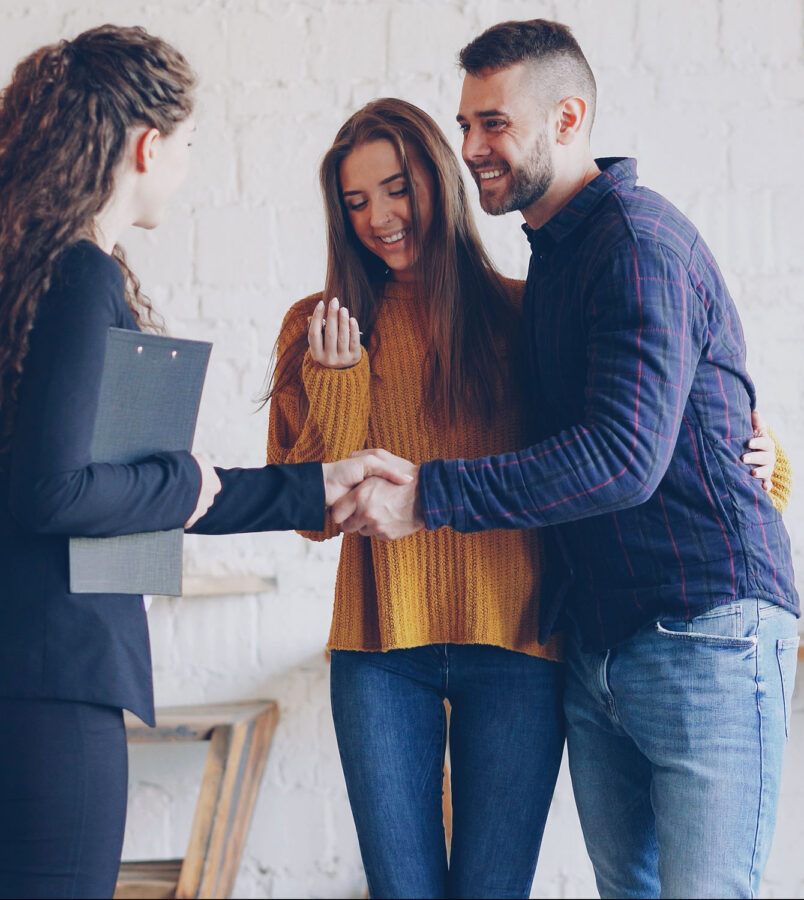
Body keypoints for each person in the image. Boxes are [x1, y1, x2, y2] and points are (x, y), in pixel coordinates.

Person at [0, 26, 406, 899]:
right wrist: (184, 479)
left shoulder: (12, 277)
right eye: (186, 144)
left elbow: (123, 493)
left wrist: (314, 485)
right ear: (147, 145)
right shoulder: (79, 278)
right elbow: (57, 494)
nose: (185, 163)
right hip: (44, 690)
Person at [266, 99, 784, 898]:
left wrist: (767, 460)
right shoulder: (320, 327)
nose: (380, 218)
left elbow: (624, 434)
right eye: (356, 202)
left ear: (439, 181)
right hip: (378, 653)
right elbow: (312, 513)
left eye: (397, 188)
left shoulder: (522, 312)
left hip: (517, 648)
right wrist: (339, 384)